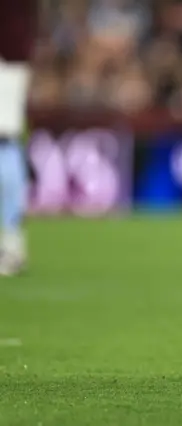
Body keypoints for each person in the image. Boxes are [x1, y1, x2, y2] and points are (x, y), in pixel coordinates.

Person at [0, 0, 35, 276]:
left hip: (6, 54)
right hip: (13, 50)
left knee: (5, 139)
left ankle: (11, 242)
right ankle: (11, 239)